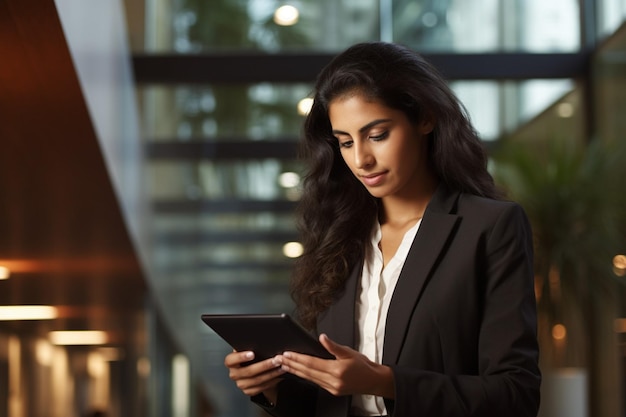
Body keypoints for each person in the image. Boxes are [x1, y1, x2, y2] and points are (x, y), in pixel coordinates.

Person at [224, 41, 541, 417]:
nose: (361, 159)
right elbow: (329, 400)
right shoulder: (339, 236)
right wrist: (270, 388)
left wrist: (383, 382)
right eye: (345, 142)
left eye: (377, 135)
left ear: (424, 118)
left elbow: (515, 395)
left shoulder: (489, 228)